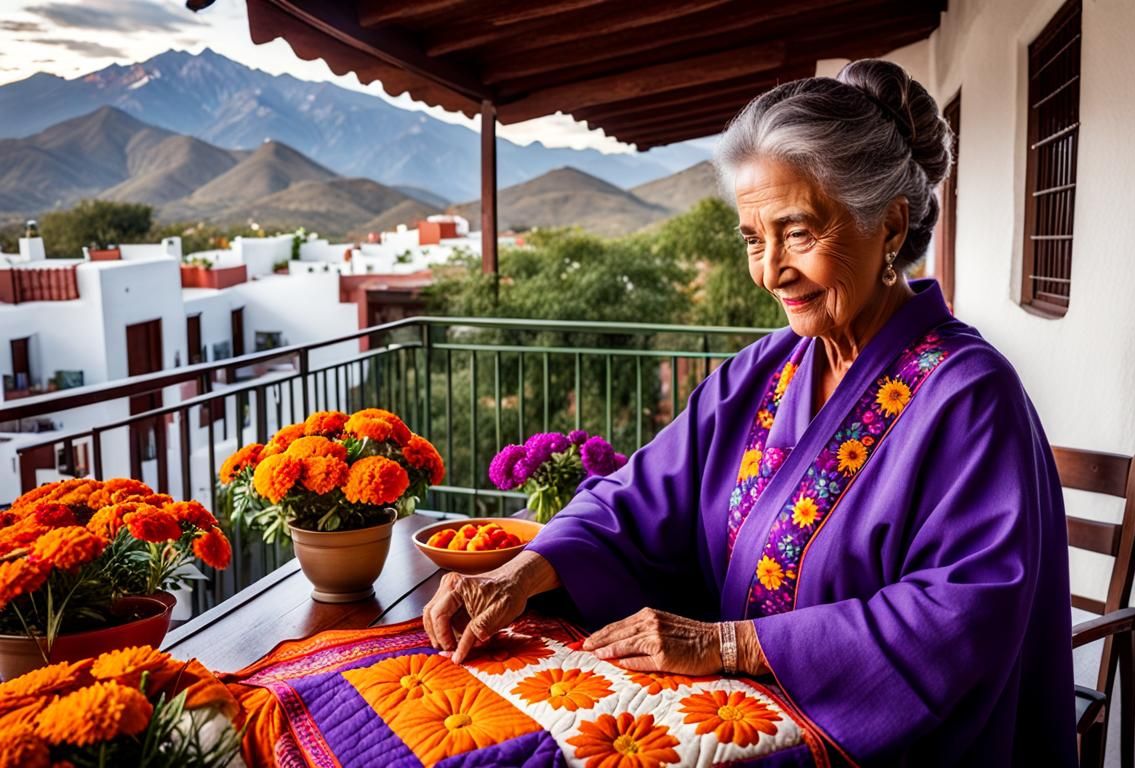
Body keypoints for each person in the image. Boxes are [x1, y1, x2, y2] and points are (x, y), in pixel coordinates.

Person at [423, 58, 1076, 766]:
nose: (771, 271)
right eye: (751, 239)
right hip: (742, 727)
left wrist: (728, 643)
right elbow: (636, 495)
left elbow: (965, 615)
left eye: (797, 233)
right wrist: (525, 568)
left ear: (889, 225)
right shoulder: (766, 369)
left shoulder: (970, 397)